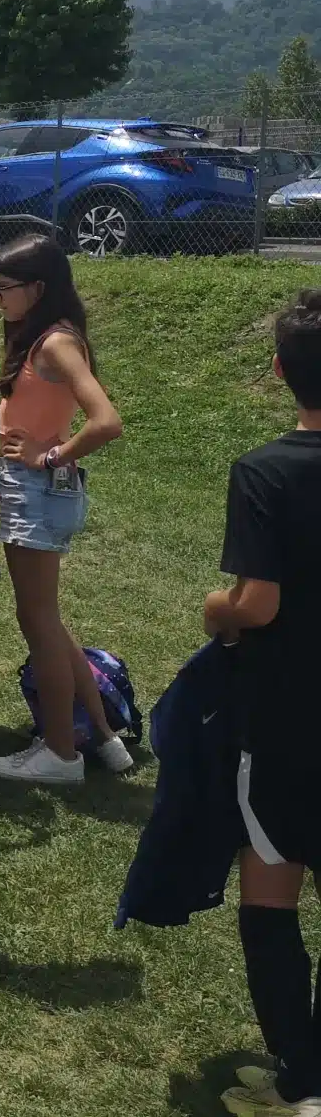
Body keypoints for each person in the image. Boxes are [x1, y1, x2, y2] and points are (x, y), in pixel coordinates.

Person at [203, 291, 321, 1117]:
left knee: (271, 889)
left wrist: (217, 609)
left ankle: (300, 1078)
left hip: (287, 709)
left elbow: (259, 602)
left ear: (279, 369)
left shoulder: (266, 471)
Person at [0, 236, 133, 786]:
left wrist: (49, 456)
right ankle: (104, 737)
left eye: (4, 288)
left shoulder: (57, 343)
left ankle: (61, 754)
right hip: (37, 488)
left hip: (38, 490)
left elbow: (106, 421)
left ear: (38, 288)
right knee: (47, 620)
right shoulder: (44, 338)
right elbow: (30, 414)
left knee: (37, 622)